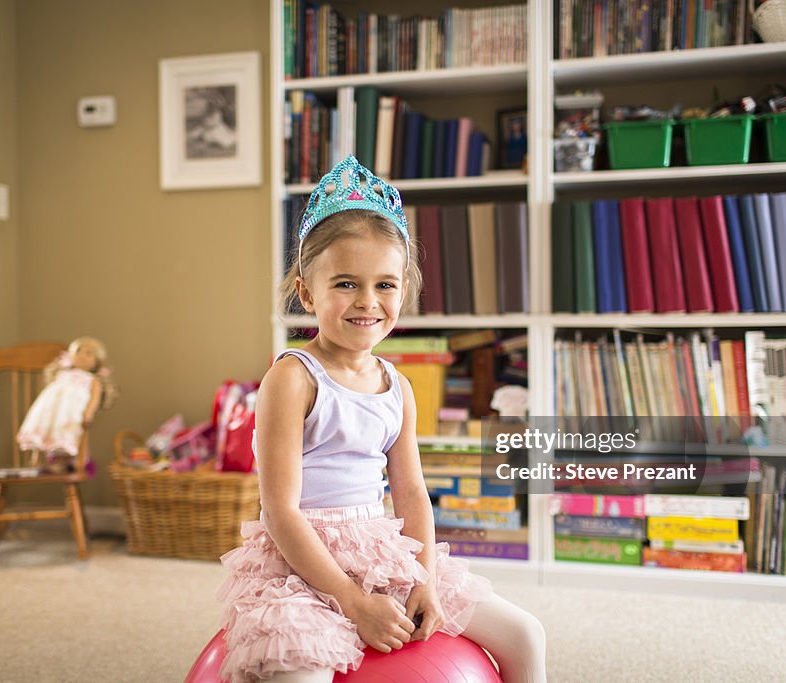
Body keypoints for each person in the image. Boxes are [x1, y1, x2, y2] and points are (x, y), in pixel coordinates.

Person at [216, 156, 547, 682]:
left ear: (403, 290)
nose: (367, 302)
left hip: (382, 553)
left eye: (385, 285)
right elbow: (280, 513)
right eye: (346, 283)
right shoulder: (292, 378)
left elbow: (412, 495)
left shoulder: (398, 387)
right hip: (302, 567)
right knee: (299, 674)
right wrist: (350, 600)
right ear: (306, 292)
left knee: (525, 634)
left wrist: (425, 581)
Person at [16, 336, 117, 474]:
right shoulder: (63, 374)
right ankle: (38, 457)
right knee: (43, 429)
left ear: (97, 361)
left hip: (70, 415)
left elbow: (94, 399)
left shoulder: (92, 380)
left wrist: (89, 413)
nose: (82, 356)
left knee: (66, 434)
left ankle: (61, 461)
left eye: (88, 353)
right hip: (51, 412)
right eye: (78, 351)